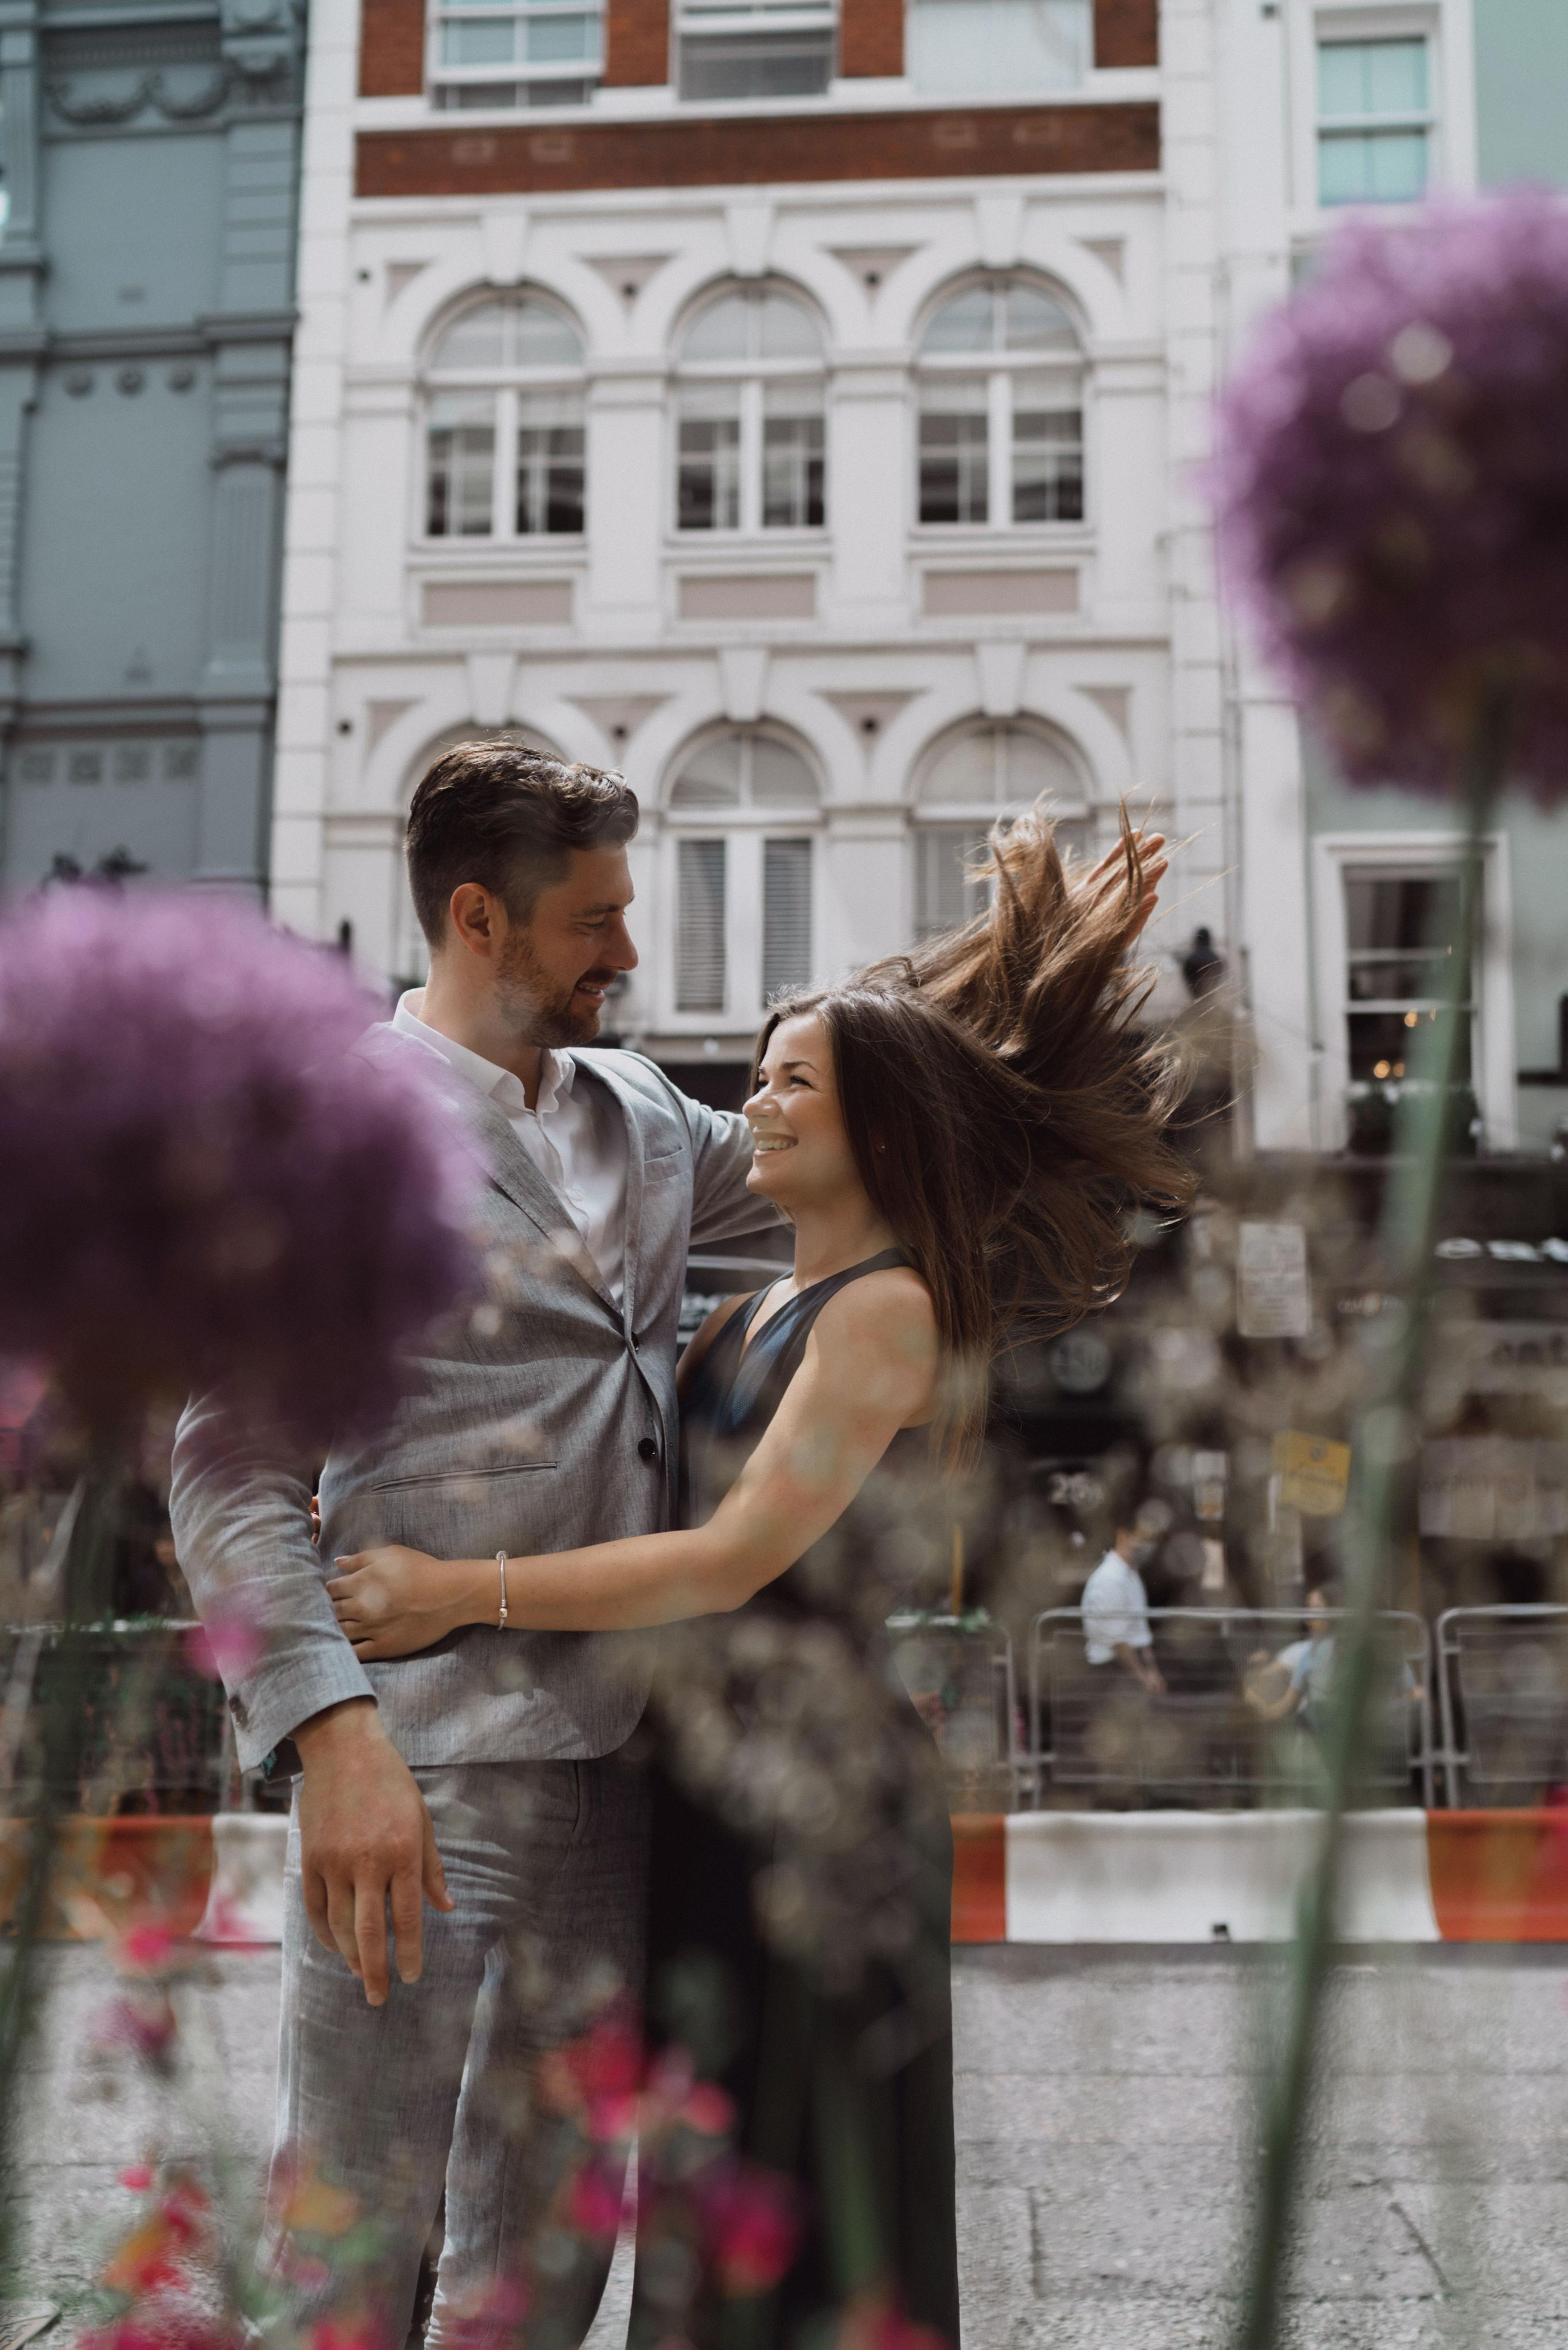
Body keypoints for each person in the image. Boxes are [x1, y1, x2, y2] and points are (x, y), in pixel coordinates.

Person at [325, 804, 1189, 2348]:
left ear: (876, 1131)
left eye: (794, 1082)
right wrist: (1006, 958)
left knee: (803, 2179)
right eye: (765, 1074)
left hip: (822, 1791)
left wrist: (461, 1588)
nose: (756, 1102)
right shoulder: (731, 1325)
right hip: (706, 1788)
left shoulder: (886, 1314)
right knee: (707, 2176)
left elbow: (727, 1558)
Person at [168, 743, 783, 2349]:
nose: (630, 954)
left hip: (618, 1770)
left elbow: (844, 1139)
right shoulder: (328, 1139)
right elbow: (227, 1463)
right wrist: (330, 1734)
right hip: (411, 1774)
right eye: (596, 920)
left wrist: (1026, 973)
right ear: (477, 916)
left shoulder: (648, 1111)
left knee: (550, 2265)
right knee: (355, 2258)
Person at [1080, 1521, 1166, 1695]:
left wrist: (1152, 1670)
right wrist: (1144, 1677)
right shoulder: (1109, 1579)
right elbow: (1116, 1641)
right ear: (1122, 1536)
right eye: (1142, 1538)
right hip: (1110, 1673)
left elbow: (1140, 1629)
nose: (1147, 1547)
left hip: (1130, 1668)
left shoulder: (1130, 1574)